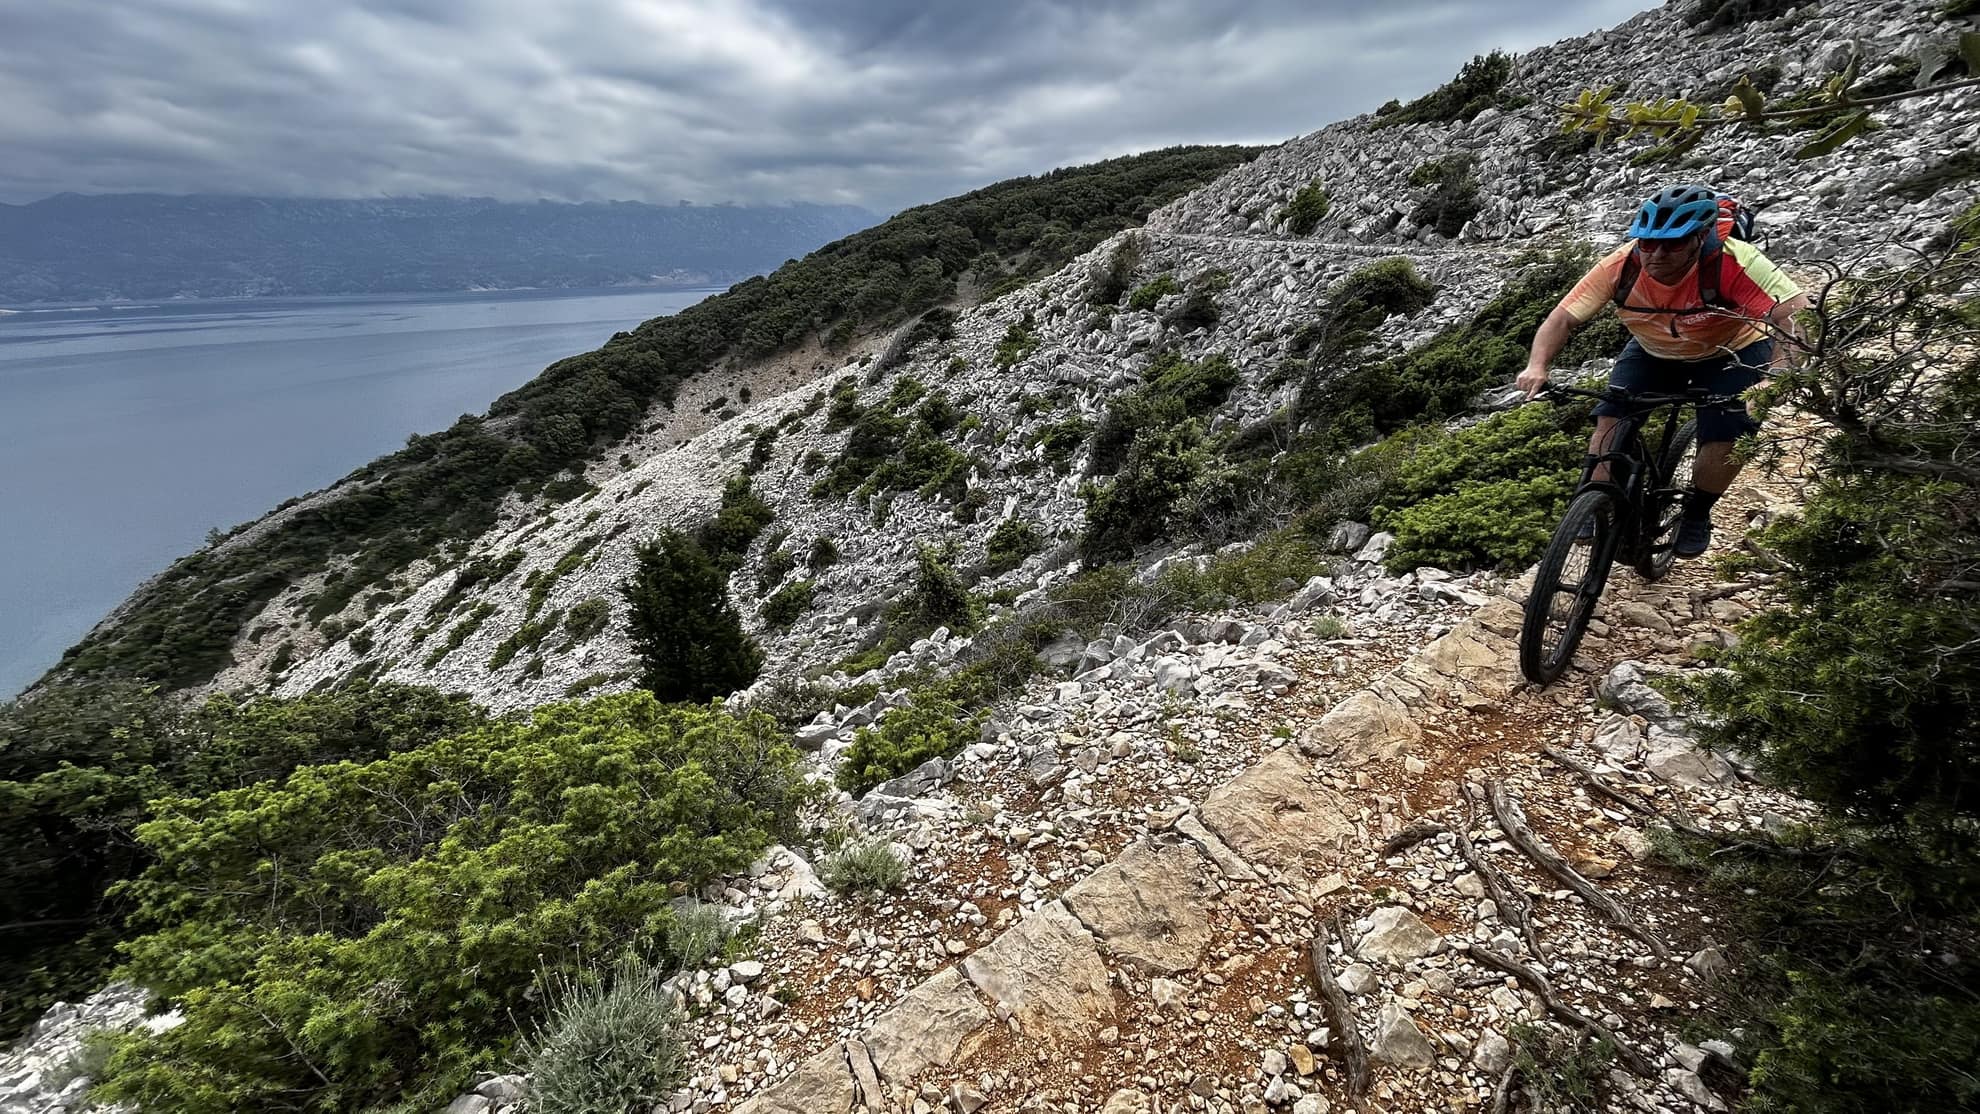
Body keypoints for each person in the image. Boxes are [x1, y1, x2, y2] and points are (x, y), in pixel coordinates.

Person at [1516, 184, 1809, 557]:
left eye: (1672, 244)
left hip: (1731, 350)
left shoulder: (1736, 261)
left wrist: (1775, 378)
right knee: (1611, 417)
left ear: (1701, 237)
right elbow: (1561, 319)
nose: (1656, 253)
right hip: (1654, 349)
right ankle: (1593, 500)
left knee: (1726, 430)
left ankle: (1697, 513)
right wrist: (1537, 366)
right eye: (1647, 243)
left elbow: (1795, 314)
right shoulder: (1621, 265)